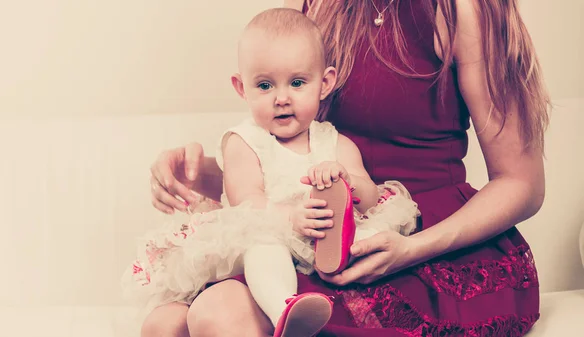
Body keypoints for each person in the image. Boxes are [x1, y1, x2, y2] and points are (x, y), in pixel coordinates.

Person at [143, 0, 550, 336]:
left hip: (423, 238)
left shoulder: (463, 9)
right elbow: (285, 158)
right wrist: (201, 175)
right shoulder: (309, 5)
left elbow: (521, 183)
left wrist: (409, 250)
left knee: (219, 313)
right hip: (317, 230)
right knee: (165, 324)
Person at [124, 7, 419, 337]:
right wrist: (291, 216)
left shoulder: (333, 141)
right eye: (265, 86)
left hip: (319, 240)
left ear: (324, 83)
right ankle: (285, 309)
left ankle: (319, 284)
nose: (281, 98)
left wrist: (346, 181)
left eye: (296, 83)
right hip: (269, 234)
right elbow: (247, 202)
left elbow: (371, 197)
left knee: (360, 239)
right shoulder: (245, 142)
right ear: (241, 88)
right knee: (263, 244)